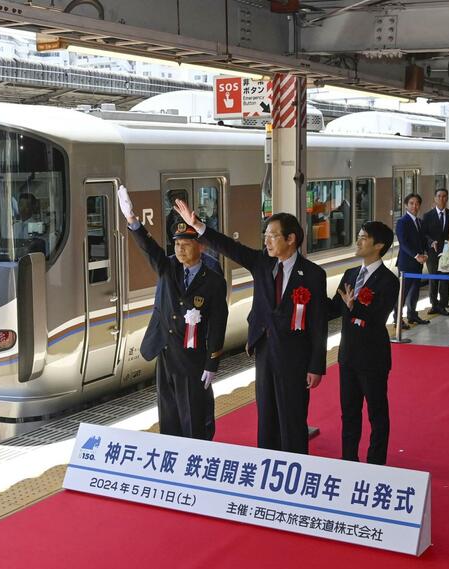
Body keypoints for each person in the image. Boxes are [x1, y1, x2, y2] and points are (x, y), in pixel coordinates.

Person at [173, 199, 328, 454]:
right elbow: (230, 247)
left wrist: (316, 365)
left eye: (272, 236)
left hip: (295, 355)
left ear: (290, 239)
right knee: (266, 413)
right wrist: (199, 226)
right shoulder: (261, 263)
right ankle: (266, 463)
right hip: (265, 350)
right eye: (265, 235)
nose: (266, 241)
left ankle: (297, 465)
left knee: (293, 415)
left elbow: (318, 324)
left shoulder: (312, 274)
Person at [118, 186, 228, 440]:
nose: (179, 250)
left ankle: (196, 459)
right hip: (166, 352)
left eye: (186, 244)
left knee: (194, 416)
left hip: (194, 359)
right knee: (168, 416)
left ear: (200, 247)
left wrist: (212, 362)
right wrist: (132, 220)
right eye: (177, 244)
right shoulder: (168, 268)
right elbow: (149, 248)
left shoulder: (212, 280)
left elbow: (218, 323)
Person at [328, 221, 399, 464]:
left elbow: (379, 317)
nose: (358, 242)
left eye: (364, 238)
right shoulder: (350, 275)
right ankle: (349, 460)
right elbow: (334, 309)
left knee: (377, 414)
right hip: (347, 356)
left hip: (373, 358)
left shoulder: (388, 280)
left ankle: (375, 463)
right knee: (349, 413)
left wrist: (354, 306)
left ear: (379, 245)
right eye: (358, 236)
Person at [422, 188, 449, 316]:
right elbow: (424, 234)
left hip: (448, 252)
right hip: (432, 252)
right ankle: (433, 304)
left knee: (444, 279)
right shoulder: (427, 216)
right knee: (433, 278)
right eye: (439, 196)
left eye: (444, 196)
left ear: (447, 199)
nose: (441, 199)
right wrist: (431, 241)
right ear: (435, 198)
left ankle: (442, 304)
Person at [395, 193, 429, 327]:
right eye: (411, 203)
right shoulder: (402, 222)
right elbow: (403, 242)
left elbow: (423, 240)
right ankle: (397, 319)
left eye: (417, 203)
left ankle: (412, 315)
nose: (414, 206)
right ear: (406, 205)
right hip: (406, 263)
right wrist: (416, 256)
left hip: (418, 263)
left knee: (415, 290)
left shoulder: (419, 222)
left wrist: (426, 252)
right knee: (402, 293)